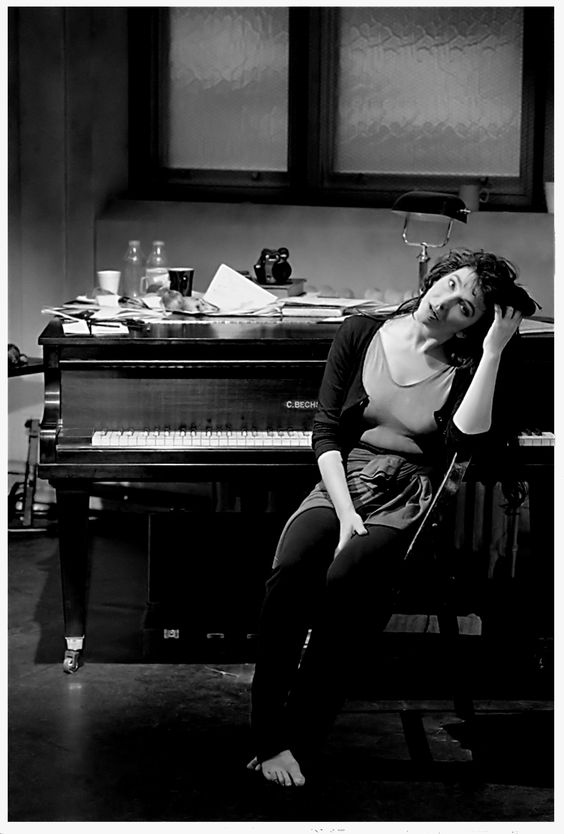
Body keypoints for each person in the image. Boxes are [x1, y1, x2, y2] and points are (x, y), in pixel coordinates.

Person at [246, 248, 539, 787]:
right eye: (450, 284)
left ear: (471, 326)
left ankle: (300, 737)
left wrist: (494, 349)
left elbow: (464, 442)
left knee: (346, 581)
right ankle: (267, 734)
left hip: (410, 490)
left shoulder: (465, 365)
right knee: (290, 571)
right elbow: (325, 433)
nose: (446, 301)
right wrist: (344, 513)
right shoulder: (360, 333)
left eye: (466, 307)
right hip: (346, 478)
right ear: (435, 278)